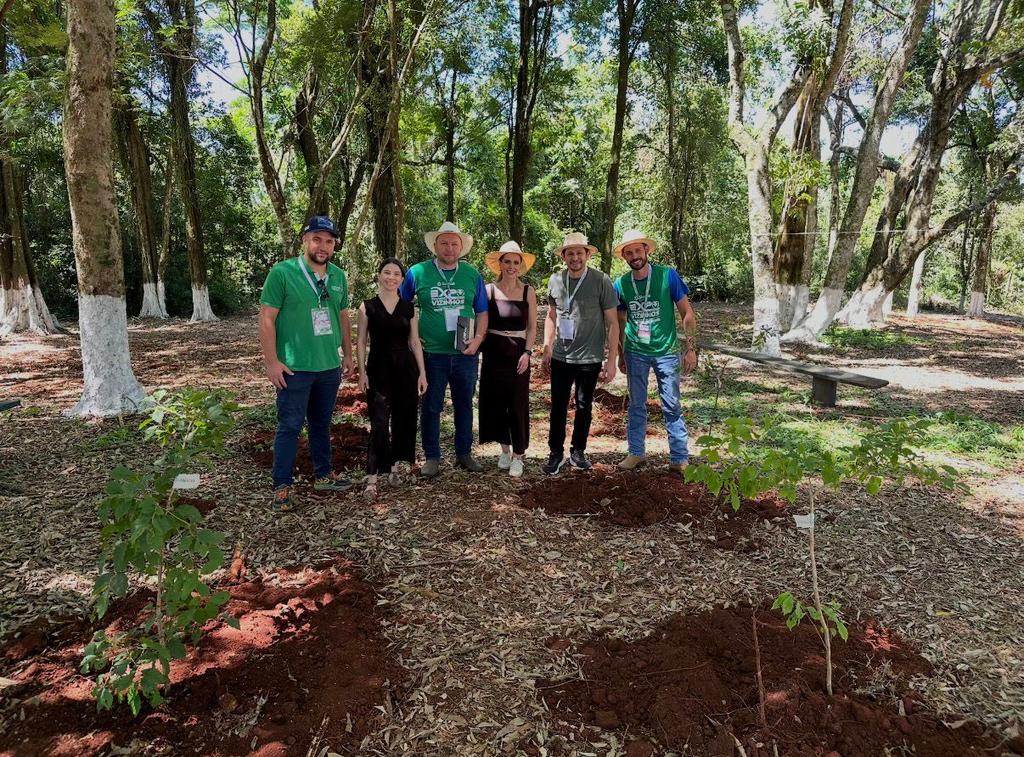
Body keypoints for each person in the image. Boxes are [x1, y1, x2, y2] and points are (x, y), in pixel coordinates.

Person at [258, 215, 355, 512]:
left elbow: (342, 318)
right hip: (294, 367)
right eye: (317, 239)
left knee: (321, 423)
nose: (322, 246)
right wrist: (272, 362)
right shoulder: (282, 273)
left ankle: (323, 475)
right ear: (304, 240)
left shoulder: (338, 276)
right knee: (289, 425)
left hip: (327, 366)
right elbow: (267, 319)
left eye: (328, 241)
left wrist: (348, 355)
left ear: (334, 245)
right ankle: (282, 487)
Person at [399, 221, 489, 477]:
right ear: (435, 246)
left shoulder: (472, 274)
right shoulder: (417, 272)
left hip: (465, 354)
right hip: (431, 354)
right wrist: (410, 338)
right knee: (431, 406)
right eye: (444, 243)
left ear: (461, 247)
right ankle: (432, 457)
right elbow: (402, 307)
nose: (449, 248)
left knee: (464, 404)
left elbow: (482, 311)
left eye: (454, 243)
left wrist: (478, 339)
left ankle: (464, 453)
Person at [613, 229, 698, 473]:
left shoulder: (666, 275)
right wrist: (620, 352)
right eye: (629, 253)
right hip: (635, 351)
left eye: (638, 250)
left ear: (646, 250)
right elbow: (619, 321)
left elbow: (687, 312)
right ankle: (636, 453)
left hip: (666, 351)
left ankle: (679, 457)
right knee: (636, 403)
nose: (634, 256)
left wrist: (690, 348)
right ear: (625, 257)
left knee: (671, 404)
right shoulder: (620, 284)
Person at [541, 231, 619, 475]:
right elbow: (552, 317)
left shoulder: (601, 280)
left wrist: (612, 360)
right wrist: (546, 348)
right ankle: (555, 453)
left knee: (584, 406)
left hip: (590, 357)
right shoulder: (555, 280)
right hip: (561, 356)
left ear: (587, 255)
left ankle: (578, 451)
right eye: (570, 253)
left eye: (579, 253)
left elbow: (613, 322)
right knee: (558, 406)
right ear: (564, 256)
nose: (575, 257)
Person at [357, 257, 428, 499]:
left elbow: (414, 342)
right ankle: (373, 476)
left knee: (404, 417)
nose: (391, 277)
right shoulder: (367, 307)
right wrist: (361, 372)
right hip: (378, 367)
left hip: (405, 368)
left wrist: (422, 374)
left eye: (396, 274)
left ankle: (397, 467)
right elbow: (361, 342)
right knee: (378, 422)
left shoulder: (409, 308)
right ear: (379, 275)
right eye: (386, 272)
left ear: (402, 279)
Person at [479, 241, 538, 477]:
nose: (512, 266)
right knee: (496, 402)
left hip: (518, 354)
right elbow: (480, 323)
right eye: (507, 262)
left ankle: (519, 455)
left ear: (520, 266)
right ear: (500, 264)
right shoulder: (488, 290)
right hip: (493, 352)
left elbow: (533, 327)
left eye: (516, 262)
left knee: (517, 404)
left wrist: (528, 352)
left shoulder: (528, 292)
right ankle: (504, 449)